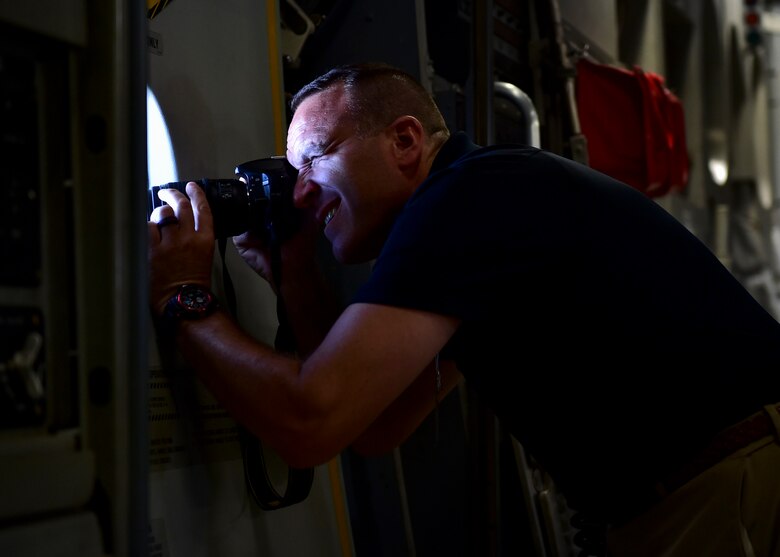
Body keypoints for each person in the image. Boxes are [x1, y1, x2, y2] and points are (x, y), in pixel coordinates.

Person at [148, 62, 780, 556]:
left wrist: (184, 293)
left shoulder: (467, 199)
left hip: (727, 488)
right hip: (704, 490)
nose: (302, 189)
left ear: (404, 140)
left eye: (314, 157)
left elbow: (313, 421)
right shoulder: (484, 210)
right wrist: (299, 279)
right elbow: (373, 424)